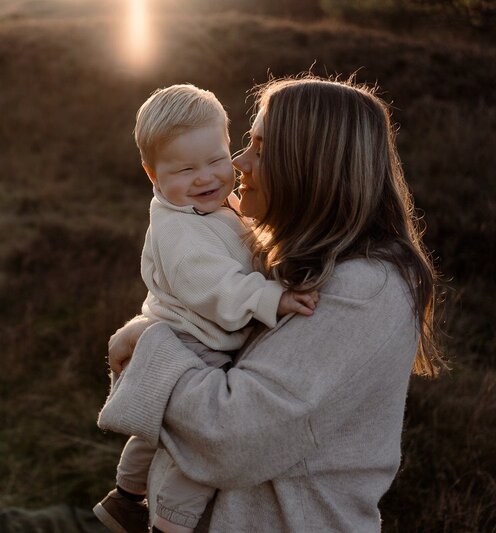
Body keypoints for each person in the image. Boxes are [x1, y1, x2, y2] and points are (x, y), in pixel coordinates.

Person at [98, 75, 443, 532]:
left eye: (259, 147)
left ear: (308, 165)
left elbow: (228, 438)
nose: (239, 162)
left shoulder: (366, 288)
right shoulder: (304, 260)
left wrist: (148, 346)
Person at [93, 84, 319, 533]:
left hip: (188, 333)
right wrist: (270, 297)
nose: (206, 177)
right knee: (197, 443)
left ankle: (124, 496)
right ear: (152, 175)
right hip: (194, 341)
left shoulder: (210, 207)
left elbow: (241, 243)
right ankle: (170, 524)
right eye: (185, 169)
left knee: (155, 424)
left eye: (217, 160)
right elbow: (214, 286)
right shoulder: (178, 232)